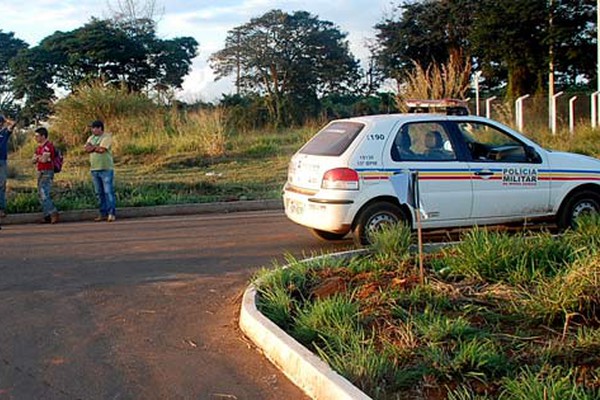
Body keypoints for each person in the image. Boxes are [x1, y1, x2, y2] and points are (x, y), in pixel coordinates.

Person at [84, 120, 116, 222]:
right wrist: (94, 148)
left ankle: (111, 213)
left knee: (108, 192)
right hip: (94, 168)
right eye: (92, 128)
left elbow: (102, 150)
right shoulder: (91, 137)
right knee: (99, 192)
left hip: (106, 168)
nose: (93, 130)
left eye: (95, 128)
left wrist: (92, 148)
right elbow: (86, 149)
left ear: (100, 128)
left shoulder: (106, 137)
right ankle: (103, 213)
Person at [32, 127, 59, 224]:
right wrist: (40, 157)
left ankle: (53, 212)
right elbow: (33, 160)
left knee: (44, 193)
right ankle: (47, 215)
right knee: (40, 194)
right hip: (40, 170)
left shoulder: (48, 146)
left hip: (47, 171)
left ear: (43, 136)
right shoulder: (39, 147)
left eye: (37, 136)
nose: (35, 138)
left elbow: (44, 159)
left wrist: (39, 158)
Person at [0, 114, 16, 218]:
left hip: (2, 161)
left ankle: (1, 209)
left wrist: (5, 119)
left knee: (1, 186)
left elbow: (13, 124)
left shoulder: (5, 132)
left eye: (0, 123)